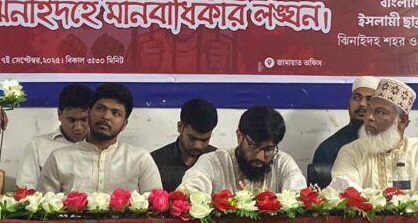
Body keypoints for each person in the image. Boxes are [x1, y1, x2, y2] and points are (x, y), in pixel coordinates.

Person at [331, 78, 418, 193]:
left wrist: (413, 204)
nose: (369, 117)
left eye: (380, 112)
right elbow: (344, 193)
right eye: (369, 109)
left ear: (402, 121)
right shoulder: (351, 153)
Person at [39, 83, 162, 193]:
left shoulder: (140, 160)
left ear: (124, 124)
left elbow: (156, 208)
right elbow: (42, 207)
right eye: (100, 109)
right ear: (89, 112)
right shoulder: (59, 158)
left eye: (116, 113)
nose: (106, 116)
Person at [178, 106, 306, 193]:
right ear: (239, 136)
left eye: (268, 149)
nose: (260, 157)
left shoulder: (282, 163)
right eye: (254, 146)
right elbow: (189, 193)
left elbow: (299, 197)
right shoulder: (214, 162)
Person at [16, 83, 92, 189]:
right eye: (71, 120)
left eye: (84, 120)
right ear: (59, 114)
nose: (78, 127)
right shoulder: (38, 146)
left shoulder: (102, 147)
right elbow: (25, 188)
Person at [151, 98, 218, 191]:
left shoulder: (218, 161)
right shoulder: (154, 162)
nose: (198, 145)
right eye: (192, 138)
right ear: (180, 127)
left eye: (204, 140)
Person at [313, 76, 380, 164]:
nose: (362, 104)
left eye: (369, 99)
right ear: (348, 104)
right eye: (356, 98)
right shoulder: (328, 149)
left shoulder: (388, 146)